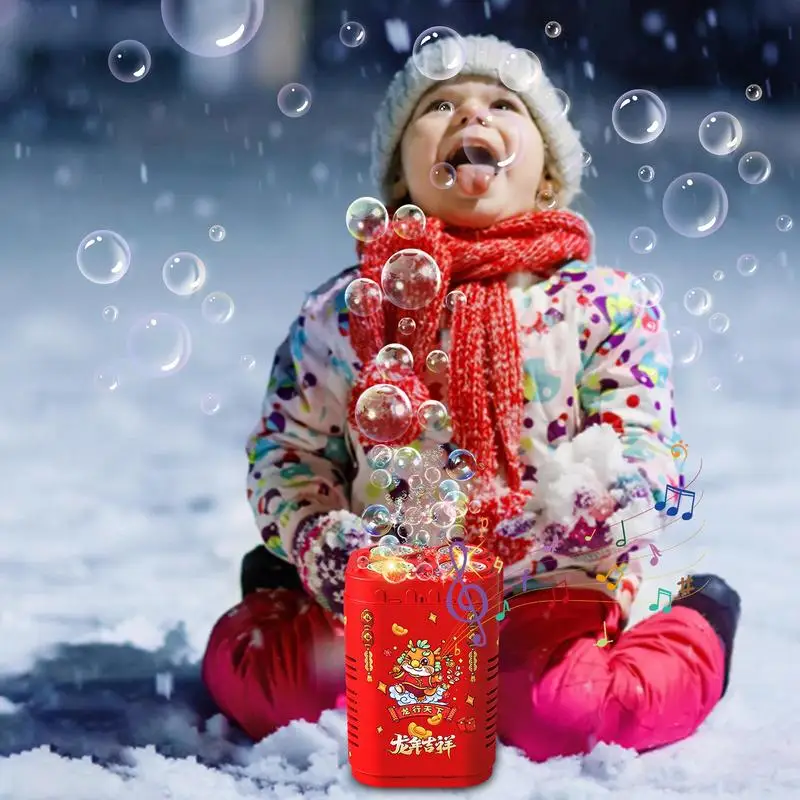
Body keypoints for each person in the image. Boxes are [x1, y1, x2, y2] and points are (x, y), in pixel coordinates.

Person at [202, 34, 741, 761]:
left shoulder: (604, 305)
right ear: (399, 178)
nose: (468, 116)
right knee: (292, 693)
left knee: (557, 714)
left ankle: (697, 619)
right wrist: (313, 537)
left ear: (548, 178)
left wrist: (601, 498)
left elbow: (644, 438)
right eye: (439, 105)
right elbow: (289, 447)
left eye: (502, 104)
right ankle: (276, 590)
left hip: (557, 579)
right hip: (390, 584)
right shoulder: (349, 309)